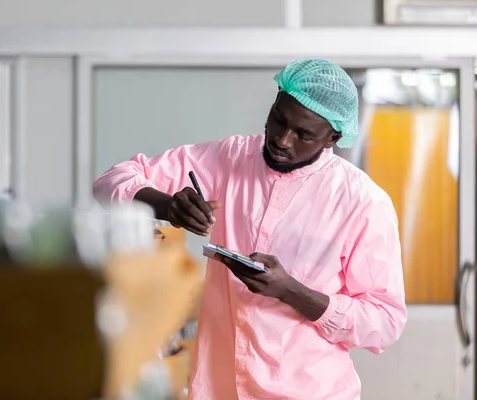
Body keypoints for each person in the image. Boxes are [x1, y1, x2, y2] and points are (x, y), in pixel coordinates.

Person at [93, 59, 407, 400]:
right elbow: (109, 183)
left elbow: (384, 322)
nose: (282, 140)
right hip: (219, 388)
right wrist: (167, 206)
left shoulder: (362, 202)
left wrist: (290, 291)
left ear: (333, 137)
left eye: (303, 135)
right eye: (279, 119)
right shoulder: (230, 158)